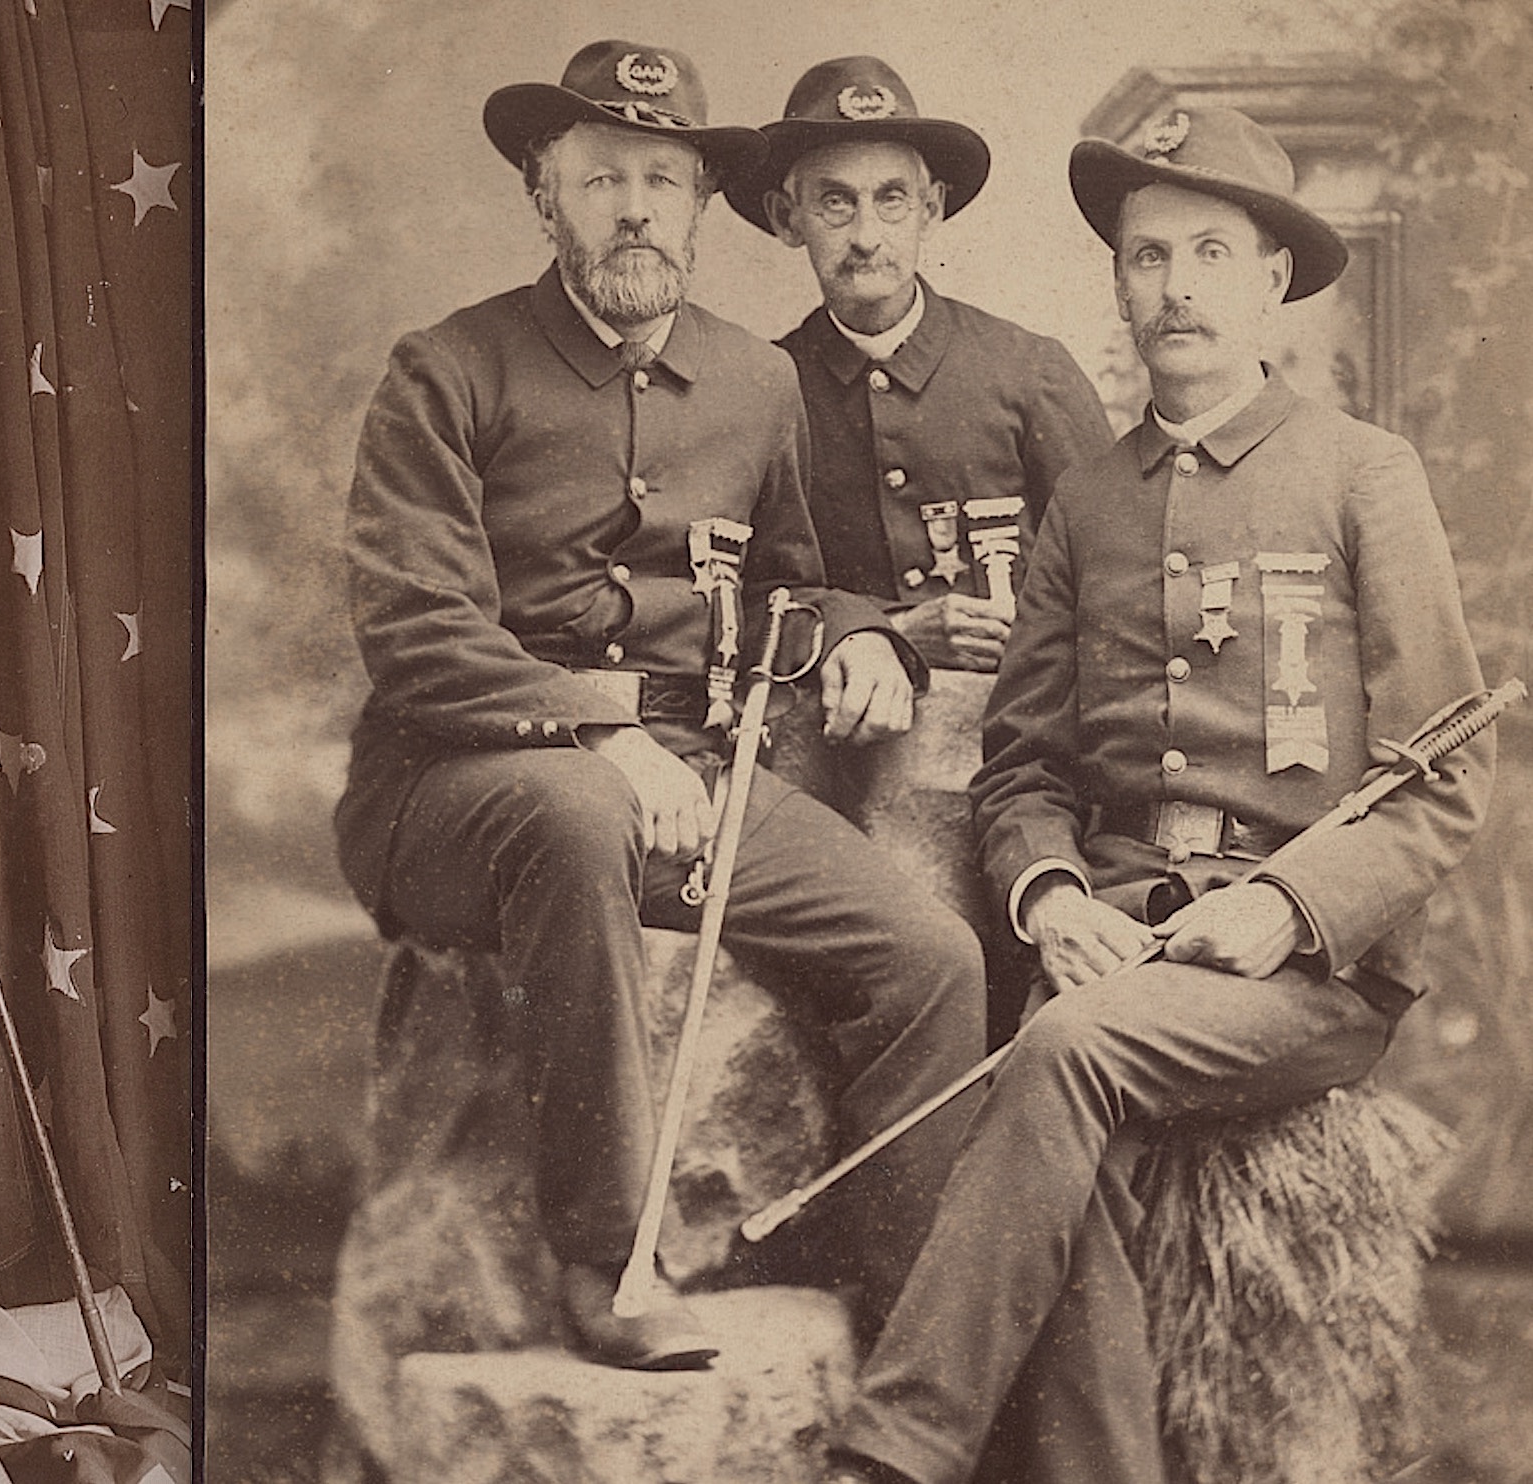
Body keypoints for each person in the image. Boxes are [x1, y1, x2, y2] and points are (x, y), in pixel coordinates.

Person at [822, 106, 1496, 1484]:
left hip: (1302, 979)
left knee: (1065, 1055)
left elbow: (1445, 777)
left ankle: (892, 1452)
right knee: (1069, 1166)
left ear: (1270, 283)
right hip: (1120, 938)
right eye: (1148, 257)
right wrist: (1054, 894)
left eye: (1209, 253)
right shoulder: (1087, 501)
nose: (1177, 286)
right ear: (1120, 287)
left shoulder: (1366, 475)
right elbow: (1025, 767)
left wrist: (1289, 910)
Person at [334, 39, 986, 1371]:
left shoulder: (755, 383)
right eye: (602, 178)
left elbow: (798, 588)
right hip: (452, 789)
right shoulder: (447, 370)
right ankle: (603, 1265)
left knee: (930, 960)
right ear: (544, 194)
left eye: (664, 180)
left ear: (698, 205)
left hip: (691, 778)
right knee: (575, 815)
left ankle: (915, 1339)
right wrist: (600, 728)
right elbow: (416, 633)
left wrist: (862, 639)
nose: (636, 209)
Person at [722, 56, 1111, 674]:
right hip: (838, 736)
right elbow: (738, 602)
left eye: (892, 199)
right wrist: (892, 631)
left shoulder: (1031, 372)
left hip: (1020, 725)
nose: (867, 236)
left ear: (932, 208)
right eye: (835, 203)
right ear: (785, 218)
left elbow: (1115, 571)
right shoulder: (763, 389)